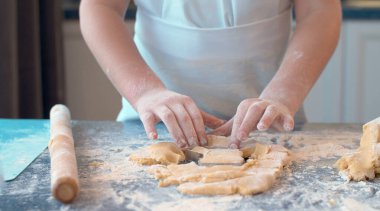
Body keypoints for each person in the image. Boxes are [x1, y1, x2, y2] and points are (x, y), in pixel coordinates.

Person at [79, 0, 341, 148]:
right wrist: (145, 91)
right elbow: (99, 7)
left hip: (267, 129)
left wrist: (284, 95)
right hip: (154, 129)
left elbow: (320, 10)